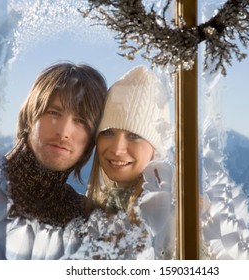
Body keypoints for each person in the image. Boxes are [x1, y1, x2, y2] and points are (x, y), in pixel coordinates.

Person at [0, 62, 107, 259]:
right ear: (30, 117)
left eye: (81, 121)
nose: (64, 132)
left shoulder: (89, 220)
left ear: (91, 140)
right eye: (54, 112)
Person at [65, 65, 175, 259]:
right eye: (108, 132)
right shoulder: (96, 211)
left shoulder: (173, 217)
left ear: (156, 147)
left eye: (134, 135)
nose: (116, 149)